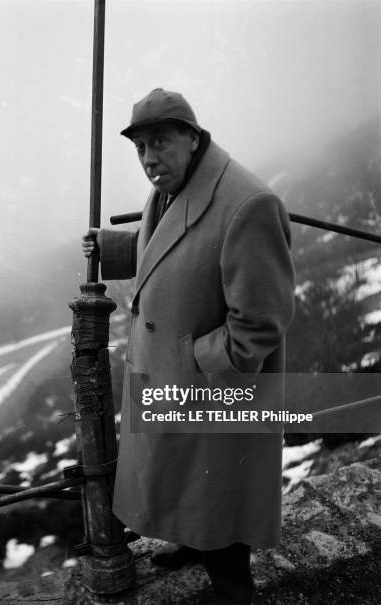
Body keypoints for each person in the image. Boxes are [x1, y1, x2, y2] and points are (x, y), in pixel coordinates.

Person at [82, 88, 295, 605]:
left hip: (212, 389)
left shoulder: (248, 204)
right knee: (187, 483)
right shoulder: (175, 186)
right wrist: (110, 249)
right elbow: (171, 247)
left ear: (192, 139)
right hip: (175, 383)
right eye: (140, 148)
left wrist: (196, 362)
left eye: (160, 142)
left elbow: (261, 324)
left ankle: (232, 592)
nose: (150, 159)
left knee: (218, 495)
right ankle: (191, 540)